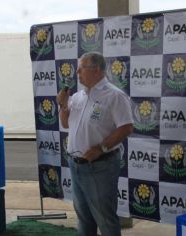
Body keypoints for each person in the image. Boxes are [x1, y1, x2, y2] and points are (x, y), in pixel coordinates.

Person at [56, 51, 134, 236]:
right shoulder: (78, 96)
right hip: (76, 164)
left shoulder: (114, 95)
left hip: (100, 166)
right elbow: (66, 123)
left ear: (96, 70)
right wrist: (63, 105)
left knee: (105, 219)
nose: (77, 73)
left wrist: (101, 148)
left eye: (81, 68)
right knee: (83, 217)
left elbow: (127, 127)